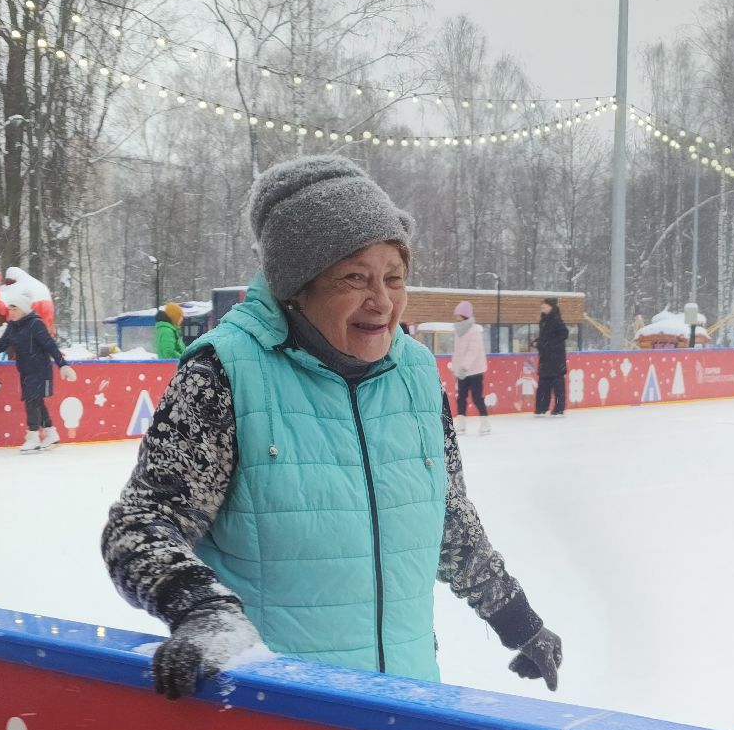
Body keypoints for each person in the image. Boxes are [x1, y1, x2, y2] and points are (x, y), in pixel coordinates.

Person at [101, 155, 564, 700]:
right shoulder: (225, 373)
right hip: (283, 713)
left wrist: (518, 620)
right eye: (355, 278)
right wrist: (203, 611)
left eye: (394, 278)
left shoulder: (416, 374)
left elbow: (448, 523)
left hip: (410, 707)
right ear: (299, 286)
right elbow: (140, 525)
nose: (383, 301)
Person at [0, 297, 76, 452]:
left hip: (40, 369)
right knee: (36, 401)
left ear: (23, 309)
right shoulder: (12, 327)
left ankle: (33, 436)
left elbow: (50, 345)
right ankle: (50, 433)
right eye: (10, 310)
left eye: (15, 309)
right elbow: (1, 345)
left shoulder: (36, 324)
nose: (12, 313)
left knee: (32, 400)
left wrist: (63, 365)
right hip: (26, 370)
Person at [450, 301, 491, 436]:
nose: (456, 317)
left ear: (465, 315)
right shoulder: (458, 330)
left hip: (475, 371)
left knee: (477, 397)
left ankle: (485, 422)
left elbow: (473, 351)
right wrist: (456, 368)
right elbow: (458, 352)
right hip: (462, 371)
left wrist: (464, 367)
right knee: (461, 397)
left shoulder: (474, 330)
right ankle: (461, 423)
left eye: (459, 315)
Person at [533, 298, 569, 416]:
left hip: (556, 358)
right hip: (545, 357)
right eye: (541, 307)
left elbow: (564, 334)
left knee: (558, 385)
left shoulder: (556, 320)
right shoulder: (543, 321)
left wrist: (550, 345)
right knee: (543, 384)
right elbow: (545, 337)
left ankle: (559, 408)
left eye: (544, 307)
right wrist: (537, 342)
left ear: (551, 307)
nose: (542, 309)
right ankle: (541, 408)